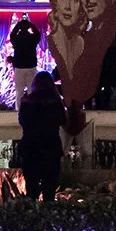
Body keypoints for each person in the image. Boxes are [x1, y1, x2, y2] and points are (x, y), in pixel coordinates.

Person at [16, 70, 68, 201]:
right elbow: (63, 121)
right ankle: (49, 212)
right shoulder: (55, 103)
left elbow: (22, 121)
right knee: (49, 189)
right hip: (51, 148)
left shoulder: (26, 102)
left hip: (30, 148)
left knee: (31, 188)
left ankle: (31, 212)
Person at [8, 13, 40, 101]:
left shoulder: (16, 39)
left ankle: (19, 108)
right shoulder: (32, 38)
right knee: (31, 90)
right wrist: (31, 24)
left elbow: (12, 34)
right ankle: (32, 107)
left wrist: (18, 25)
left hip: (19, 66)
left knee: (19, 91)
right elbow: (38, 34)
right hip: (31, 65)